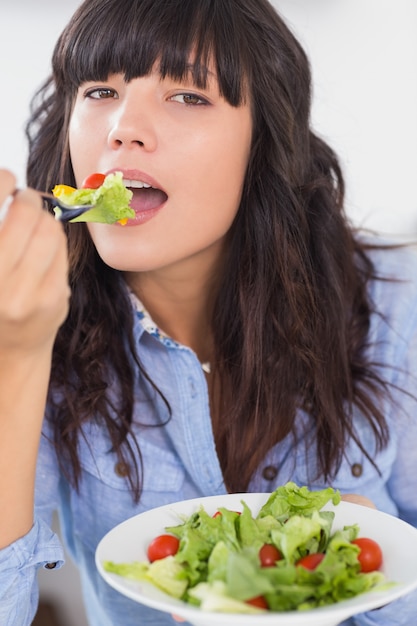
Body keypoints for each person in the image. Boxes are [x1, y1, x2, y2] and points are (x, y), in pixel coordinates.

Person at [0, 0, 416, 624]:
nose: (122, 128)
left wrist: (371, 557)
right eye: (99, 89)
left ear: (263, 143)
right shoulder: (35, 325)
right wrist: (17, 355)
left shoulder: (396, 302)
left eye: (189, 95)